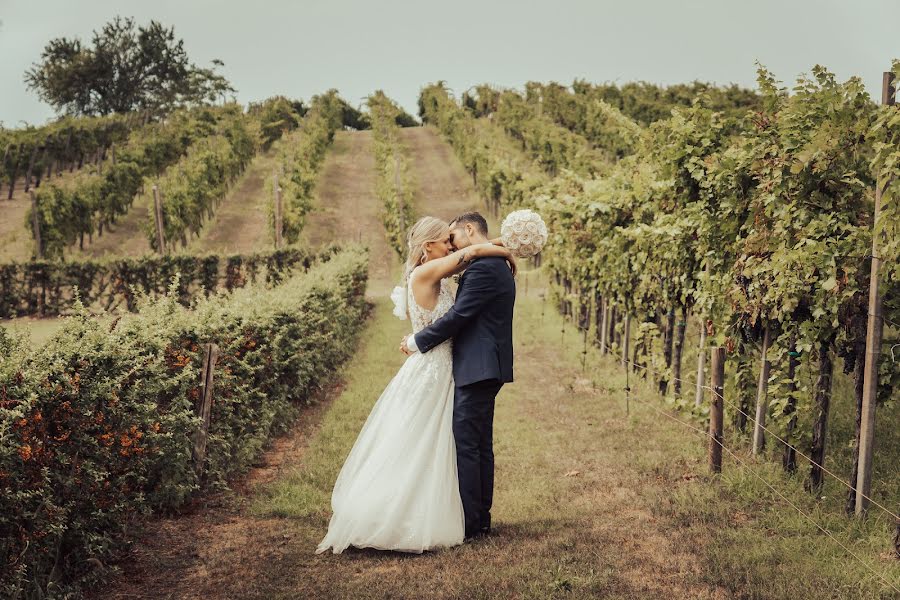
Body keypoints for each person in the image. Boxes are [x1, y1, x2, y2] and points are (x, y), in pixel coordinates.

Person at [316, 214, 515, 554]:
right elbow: (469, 257)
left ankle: (470, 517)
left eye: (453, 240)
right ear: (428, 246)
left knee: (453, 443)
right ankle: (442, 517)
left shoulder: (441, 274)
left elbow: (469, 257)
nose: (452, 246)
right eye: (446, 241)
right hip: (433, 367)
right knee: (423, 440)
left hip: (449, 368)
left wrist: (503, 248)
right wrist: (505, 249)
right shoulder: (423, 273)